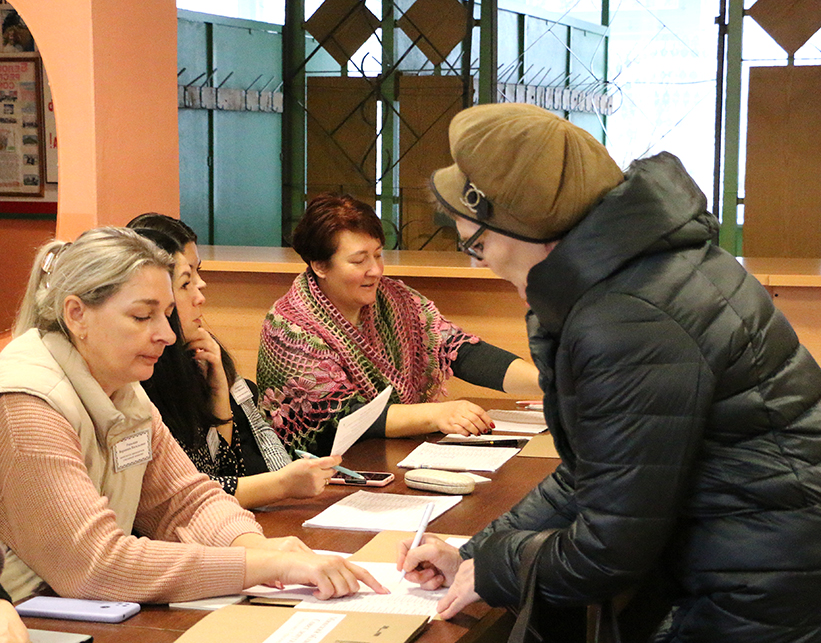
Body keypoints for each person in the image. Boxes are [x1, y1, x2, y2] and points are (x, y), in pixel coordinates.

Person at [396, 103, 821, 642]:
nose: (480, 264)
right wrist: (476, 554)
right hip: (798, 562)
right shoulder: (655, 269)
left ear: (532, 229)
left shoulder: (627, 318)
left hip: (788, 592)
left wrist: (499, 566)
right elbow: (597, 473)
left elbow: (608, 551)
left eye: (478, 245)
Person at [0, 227, 384, 604]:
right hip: (27, 616)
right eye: (142, 316)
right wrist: (262, 565)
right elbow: (95, 564)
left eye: (167, 314)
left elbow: (184, 501)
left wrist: (256, 546)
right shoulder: (27, 403)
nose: (167, 335)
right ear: (76, 314)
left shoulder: (123, 389)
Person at [256, 193, 542, 456]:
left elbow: (458, 349)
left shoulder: (395, 299)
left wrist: (548, 382)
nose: (375, 270)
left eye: (378, 255)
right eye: (359, 261)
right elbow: (345, 417)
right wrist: (436, 414)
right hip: (320, 473)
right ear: (320, 266)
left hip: (389, 457)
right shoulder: (289, 329)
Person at [126, 214, 339, 509]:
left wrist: (219, 394)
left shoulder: (194, 358)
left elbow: (225, 468)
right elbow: (184, 494)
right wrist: (282, 485)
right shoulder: (140, 379)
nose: (201, 291)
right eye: (186, 282)